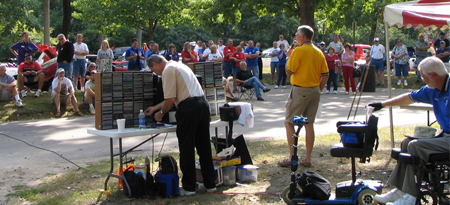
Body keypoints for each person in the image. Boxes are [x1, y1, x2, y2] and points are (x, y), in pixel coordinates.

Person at [369, 57, 450, 205]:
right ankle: (401, 190)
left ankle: (411, 196)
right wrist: (382, 104)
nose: (423, 80)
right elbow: (409, 97)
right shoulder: (433, 89)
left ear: (433, 75)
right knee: (407, 143)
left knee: (415, 146)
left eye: (424, 77)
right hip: (445, 135)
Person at [145, 54, 217, 196]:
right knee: (204, 147)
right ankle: (210, 184)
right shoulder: (178, 65)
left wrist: (160, 113)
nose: (156, 74)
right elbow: (174, 95)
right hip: (202, 104)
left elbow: (170, 99)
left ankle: (189, 187)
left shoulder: (167, 71)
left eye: (154, 71)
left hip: (189, 108)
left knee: (186, 148)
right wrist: (155, 108)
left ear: (154, 64)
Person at [279, 25, 329, 168]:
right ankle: (307, 158)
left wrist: (289, 56)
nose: (295, 37)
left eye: (297, 34)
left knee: (289, 122)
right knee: (309, 124)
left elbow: (288, 72)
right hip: (314, 90)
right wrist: (318, 89)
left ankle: (292, 157)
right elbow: (325, 75)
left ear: (303, 37)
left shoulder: (299, 51)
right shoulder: (318, 52)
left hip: (300, 91)